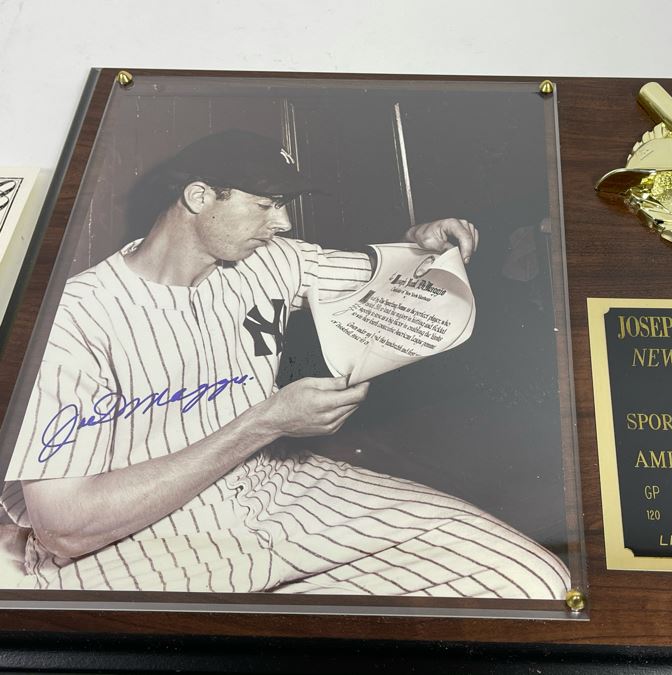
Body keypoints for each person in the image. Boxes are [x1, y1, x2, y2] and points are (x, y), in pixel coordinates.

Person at [0, 130, 570, 598]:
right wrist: (267, 422)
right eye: (266, 205)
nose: (284, 223)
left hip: (277, 488)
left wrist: (421, 243)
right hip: (139, 539)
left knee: (535, 581)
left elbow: (388, 283)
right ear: (199, 197)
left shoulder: (272, 261)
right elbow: (65, 527)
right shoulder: (73, 317)